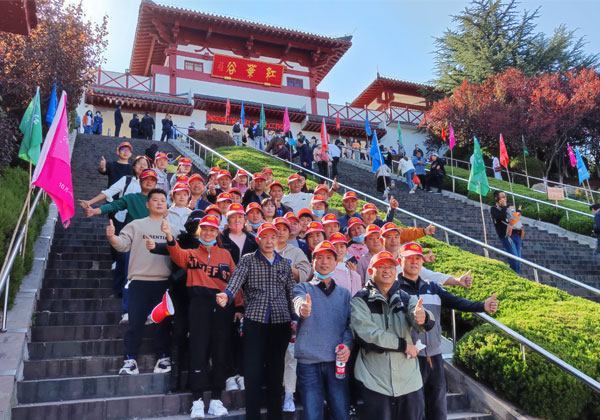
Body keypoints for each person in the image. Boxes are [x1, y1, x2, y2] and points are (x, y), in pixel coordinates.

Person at [398, 242, 499, 420]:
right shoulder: (395, 290)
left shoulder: (432, 287)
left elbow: (457, 301)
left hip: (434, 356)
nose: (414, 262)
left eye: (418, 258)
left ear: (422, 262)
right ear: (400, 261)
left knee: (438, 407)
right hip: (408, 357)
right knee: (413, 409)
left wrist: (482, 306)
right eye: (409, 258)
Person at [162, 214, 240, 417]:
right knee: (198, 349)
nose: (208, 233)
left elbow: (235, 280)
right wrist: (169, 235)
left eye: (212, 230)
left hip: (222, 306)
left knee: (220, 351)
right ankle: (197, 400)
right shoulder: (192, 253)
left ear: (217, 232)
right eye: (204, 229)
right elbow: (177, 254)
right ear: (199, 232)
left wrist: (239, 307)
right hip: (198, 305)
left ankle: (216, 398)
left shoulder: (226, 255)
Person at [216, 223, 295, 420]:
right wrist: (227, 294)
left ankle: (275, 416)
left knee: (276, 373)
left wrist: (296, 316)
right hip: (255, 320)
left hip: (281, 322)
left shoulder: (285, 264)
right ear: (258, 240)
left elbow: (291, 292)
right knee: (253, 373)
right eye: (264, 237)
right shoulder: (248, 260)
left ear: (277, 239)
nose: (269, 241)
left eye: (272, 237)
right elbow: (236, 280)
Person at [351, 251, 435, 420]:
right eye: (381, 266)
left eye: (391, 267)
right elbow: (367, 335)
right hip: (375, 382)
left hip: (409, 382)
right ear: (370, 271)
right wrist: (404, 346)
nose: (387, 270)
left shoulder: (406, 298)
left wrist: (423, 317)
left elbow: (420, 318)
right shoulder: (360, 300)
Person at [105, 188, 172, 376]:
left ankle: (163, 357)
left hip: (164, 283)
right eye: (155, 200)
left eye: (163, 200)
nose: (159, 203)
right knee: (135, 323)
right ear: (147, 204)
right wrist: (112, 237)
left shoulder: (173, 228)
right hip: (139, 281)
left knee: (162, 324)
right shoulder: (136, 225)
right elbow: (123, 244)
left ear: (167, 205)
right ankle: (130, 360)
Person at [292, 241, 353, 420]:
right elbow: (298, 302)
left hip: (337, 362)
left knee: (341, 413)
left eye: (329, 258)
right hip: (309, 363)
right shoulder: (302, 288)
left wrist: (347, 345)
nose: (324, 262)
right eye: (319, 258)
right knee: (312, 415)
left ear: (336, 262)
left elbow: (350, 325)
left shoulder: (344, 294)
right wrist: (302, 308)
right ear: (313, 262)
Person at [490, 191, 522, 274]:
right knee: (514, 259)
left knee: (519, 260)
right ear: (496, 198)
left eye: (505, 196)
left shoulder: (509, 207)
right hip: (506, 236)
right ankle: (515, 276)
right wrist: (504, 206)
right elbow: (500, 217)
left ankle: (516, 275)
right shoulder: (494, 209)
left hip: (517, 234)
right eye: (503, 196)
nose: (505, 198)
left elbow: (515, 218)